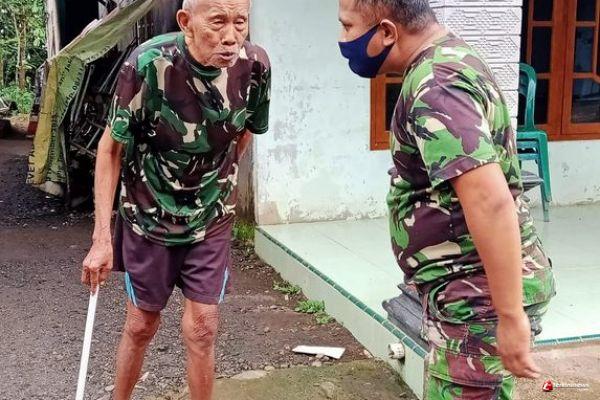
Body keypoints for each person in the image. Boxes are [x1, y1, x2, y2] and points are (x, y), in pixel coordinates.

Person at [338, 0, 555, 399]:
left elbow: (489, 200)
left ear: (386, 32)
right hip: (472, 291)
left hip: (476, 296)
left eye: (348, 26)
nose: (343, 39)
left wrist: (509, 316)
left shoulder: (436, 86)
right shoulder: (450, 59)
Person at [81, 0, 270, 398]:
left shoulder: (255, 66)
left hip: (211, 215)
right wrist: (101, 239)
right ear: (186, 22)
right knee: (141, 324)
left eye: (240, 22)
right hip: (148, 214)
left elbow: (244, 133)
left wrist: (217, 181)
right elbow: (110, 149)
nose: (231, 36)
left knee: (203, 327)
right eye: (218, 22)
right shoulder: (147, 64)